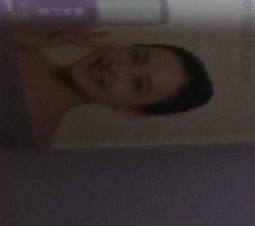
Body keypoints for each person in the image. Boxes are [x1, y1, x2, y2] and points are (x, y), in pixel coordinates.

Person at [12, 25, 214, 148]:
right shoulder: (18, 41)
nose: (116, 68)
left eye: (138, 84)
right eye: (135, 56)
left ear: (130, 110)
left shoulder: (28, 140)